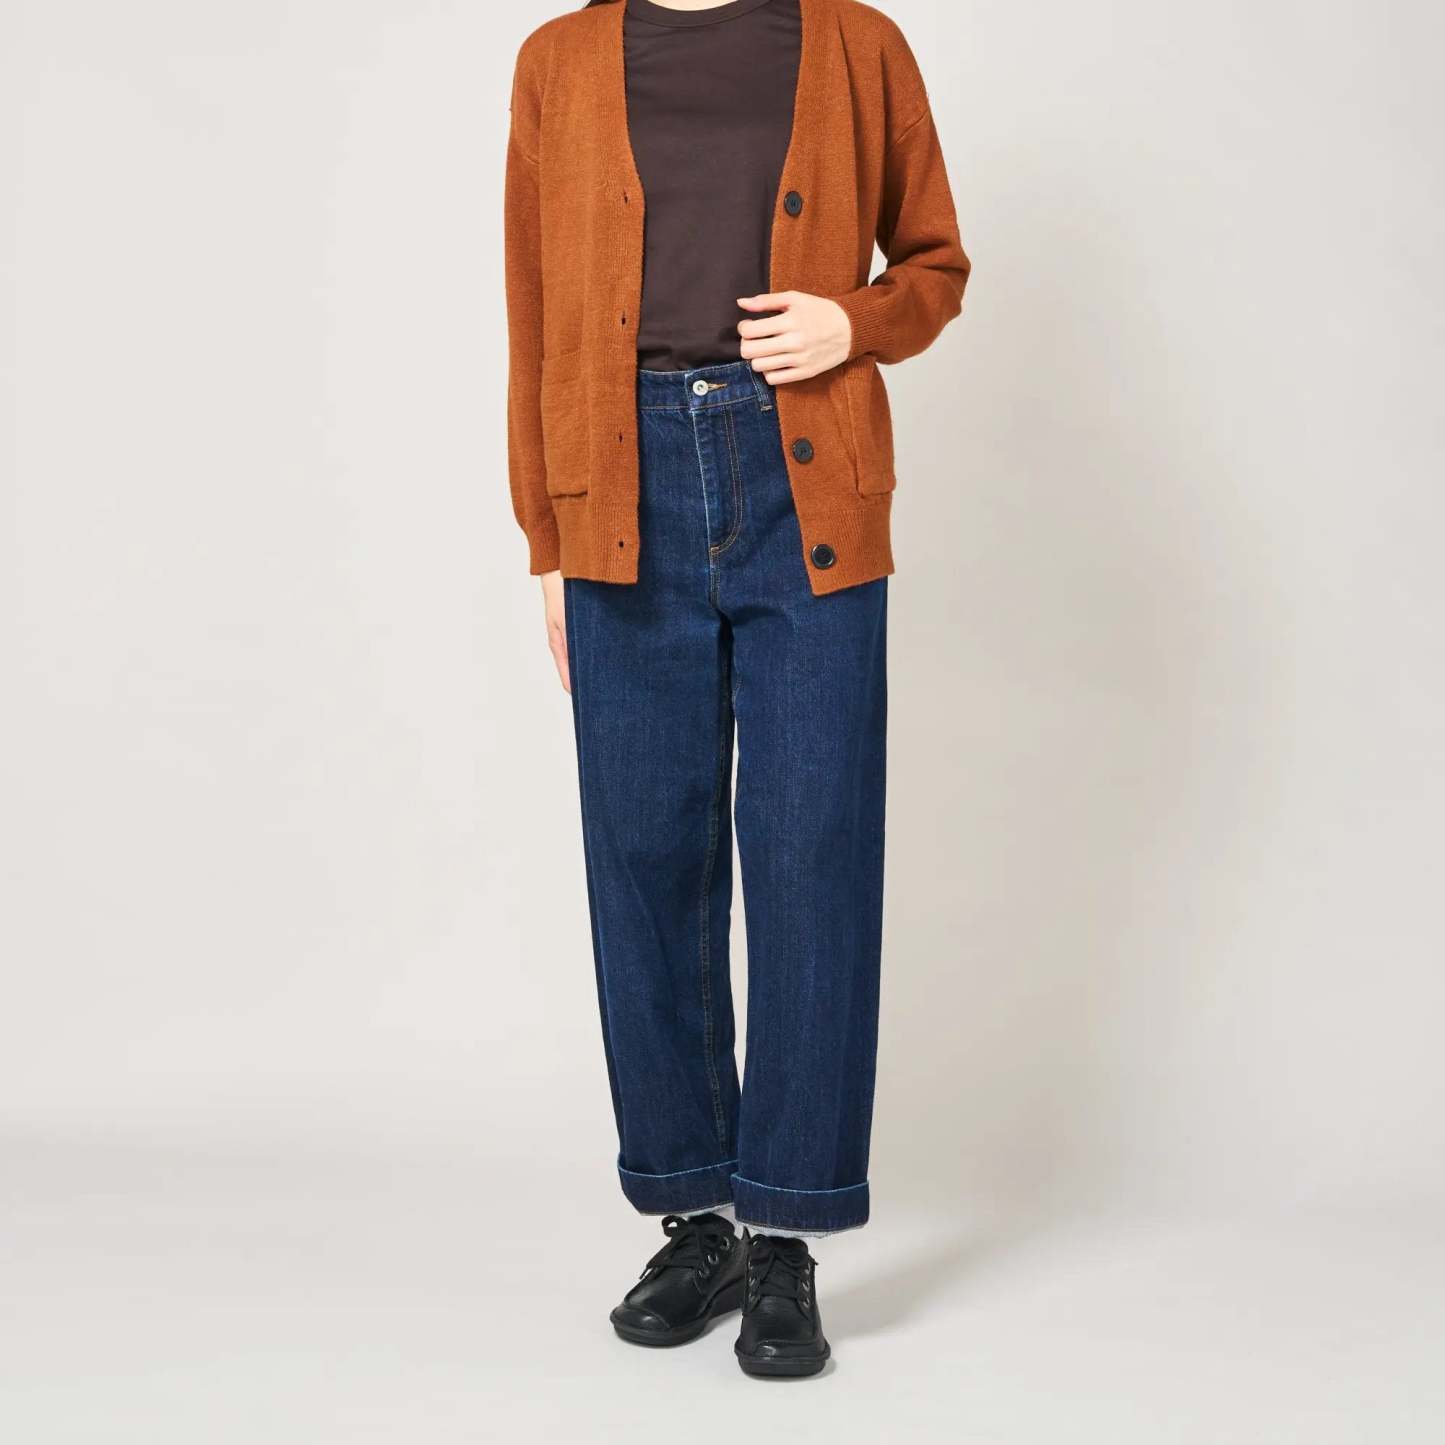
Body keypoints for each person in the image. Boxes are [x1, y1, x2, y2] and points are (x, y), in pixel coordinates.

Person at [503, 0, 968, 1377]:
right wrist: (546, 538)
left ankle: (785, 1236)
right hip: (618, 484)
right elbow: (533, 309)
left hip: (803, 481)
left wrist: (851, 322)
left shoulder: (855, 42)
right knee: (646, 851)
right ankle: (695, 1217)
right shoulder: (559, 60)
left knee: (812, 847)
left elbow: (935, 264)